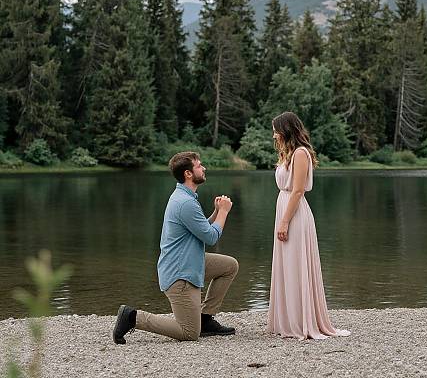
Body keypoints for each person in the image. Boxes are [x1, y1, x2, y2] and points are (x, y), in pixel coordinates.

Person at [113, 151, 239, 343]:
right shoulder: (185, 202)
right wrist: (223, 212)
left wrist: (215, 212)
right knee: (189, 333)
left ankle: (205, 318)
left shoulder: (184, 196)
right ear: (188, 173)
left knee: (229, 266)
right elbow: (211, 236)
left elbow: (201, 229)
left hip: (189, 262)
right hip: (180, 274)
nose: (203, 168)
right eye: (199, 165)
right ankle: (132, 317)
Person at [267, 112, 351, 340]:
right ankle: (287, 320)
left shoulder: (301, 154)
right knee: (287, 265)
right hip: (285, 209)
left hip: (294, 214)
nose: (274, 135)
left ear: (286, 130)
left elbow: (298, 190)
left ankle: (301, 321)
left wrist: (285, 220)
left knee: (297, 264)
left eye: (276, 130)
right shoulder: (287, 154)